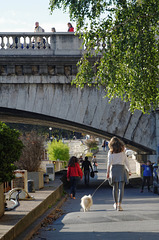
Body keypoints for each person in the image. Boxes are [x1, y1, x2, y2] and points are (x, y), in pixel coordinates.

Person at [107, 137, 131, 211]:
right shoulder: (123, 152)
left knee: (115, 188)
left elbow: (109, 163)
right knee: (121, 188)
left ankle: (116, 203)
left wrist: (107, 173)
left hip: (114, 169)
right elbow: (126, 161)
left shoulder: (110, 152)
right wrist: (129, 170)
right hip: (121, 169)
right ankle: (119, 205)